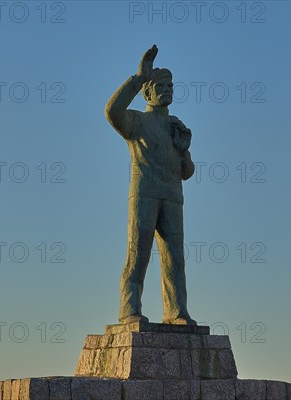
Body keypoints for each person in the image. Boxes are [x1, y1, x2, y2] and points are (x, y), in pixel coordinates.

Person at [104, 45, 196, 325]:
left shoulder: (175, 125)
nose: (167, 89)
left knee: (175, 260)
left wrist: (184, 151)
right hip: (144, 194)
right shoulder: (138, 122)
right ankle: (129, 310)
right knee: (138, 253)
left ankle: (177, 311)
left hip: (172, 197)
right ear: (147, 92)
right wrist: (138, 77)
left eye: (170, 85)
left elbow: (187, 172)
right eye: (160, 85)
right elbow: (112, 111)